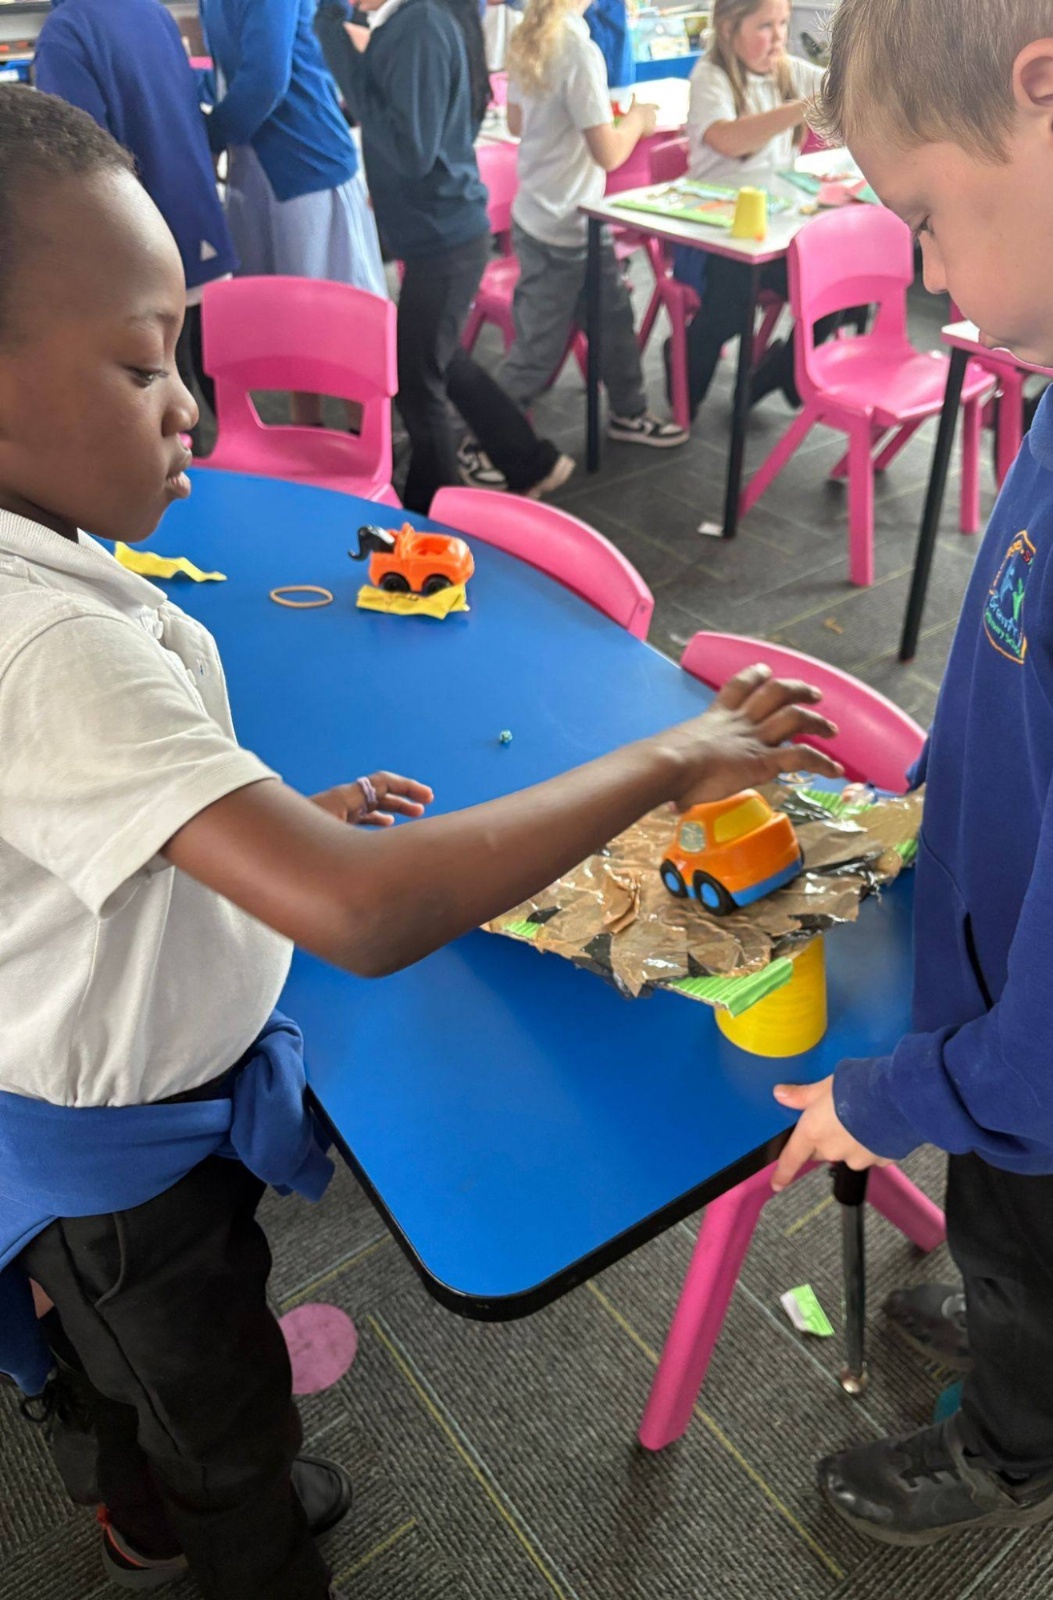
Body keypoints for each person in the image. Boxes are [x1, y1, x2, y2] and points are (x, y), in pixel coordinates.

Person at [0, 85, 842, 1600]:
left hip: (103, 1118)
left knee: (137, 1363)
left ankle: (138, 1501)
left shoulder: (42, 570)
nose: (186, 405)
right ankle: (228, 1543)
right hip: (121, 1161)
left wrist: (258, 821)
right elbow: (366, 915)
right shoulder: (48, 644)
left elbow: (64, 820)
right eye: (140, 365)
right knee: (214, 1407)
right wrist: (673, 755)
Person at [768, 0, 1053, 1548]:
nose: (933, 276)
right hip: (1020, 998)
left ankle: (1018, 1438)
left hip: (1047, 1059)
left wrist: (891, 1099)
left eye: (926, 219)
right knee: (1040, 1222)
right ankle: (1026, 1317)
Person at [315, 0, 575, 511]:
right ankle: (530, 461)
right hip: (439, 232)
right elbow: (413, 132)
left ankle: (432, 511)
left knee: (417, 381)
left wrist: (342, 50)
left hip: (446, 239)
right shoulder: (410, 24)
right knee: (440, 357)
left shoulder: (419, 26)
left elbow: (411, 151)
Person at [479, 0, 685, 473]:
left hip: (560, 219)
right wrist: (638, 121)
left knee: (613, 321)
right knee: (537, 351)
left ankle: (629, 412)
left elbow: (516, 122)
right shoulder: (577, 48)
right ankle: (484, 445)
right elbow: (609, 154)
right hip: (563, 226)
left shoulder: (531, 35)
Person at [33, 0, 236, 416]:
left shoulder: (66, 31)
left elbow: (81, 167)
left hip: (139, 248)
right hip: (199, 222)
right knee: (222, 395)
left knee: (162, 410)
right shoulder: (154, 11)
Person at [200, 0, 387, 427]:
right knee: (293, 326)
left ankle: (366, 440)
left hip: (308, 164)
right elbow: (228, 73)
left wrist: (210, 134)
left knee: (339, 327)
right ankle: (309, 434)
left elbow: (265, 80)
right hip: (258, 168)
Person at [680, 0, 826, 415]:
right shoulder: (710, 77)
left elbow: (841, 88)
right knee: (731, 304)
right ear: (729, 29)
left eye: (783, 23)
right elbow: (729, 139)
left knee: (836, 289)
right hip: (714, 236)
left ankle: (774, 377)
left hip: (775, 231)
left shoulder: (787, 69)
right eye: (765, 26)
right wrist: (803, 107)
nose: (779, 37)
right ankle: (685, 377)